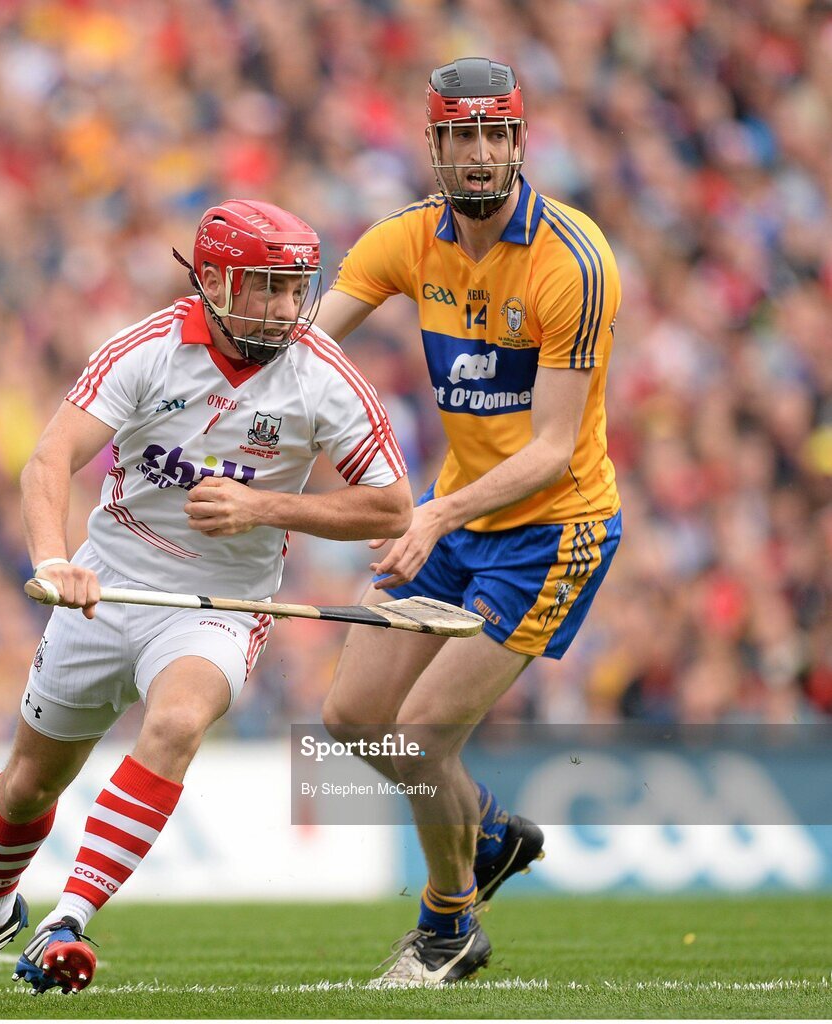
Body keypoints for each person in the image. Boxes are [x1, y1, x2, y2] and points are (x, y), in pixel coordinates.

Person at [0, 200, 412, 998]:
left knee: (179, 720)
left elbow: (391, 506)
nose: (288, 308)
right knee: (27, 785)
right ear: (215, 281)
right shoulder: (145, 351)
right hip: (106, 585)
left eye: (296, 290)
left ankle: (67, 920)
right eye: (267, 288)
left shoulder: (323, 372)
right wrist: (54, 561)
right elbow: (48, 462)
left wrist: (265, 507)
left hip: (219, 604)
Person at [316, 57, 623, 986]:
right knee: (350, 715)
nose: (480, 155)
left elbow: (553, 449)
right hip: (457, 522)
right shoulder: (406, 240)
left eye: (496, 135)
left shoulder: (573, 260)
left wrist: (432, 511)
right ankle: (485, 834)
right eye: (461, 137)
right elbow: (311, 350)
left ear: (519, 141)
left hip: (551, 529)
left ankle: (449, 924)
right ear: (435, 146)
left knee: (415, 736)